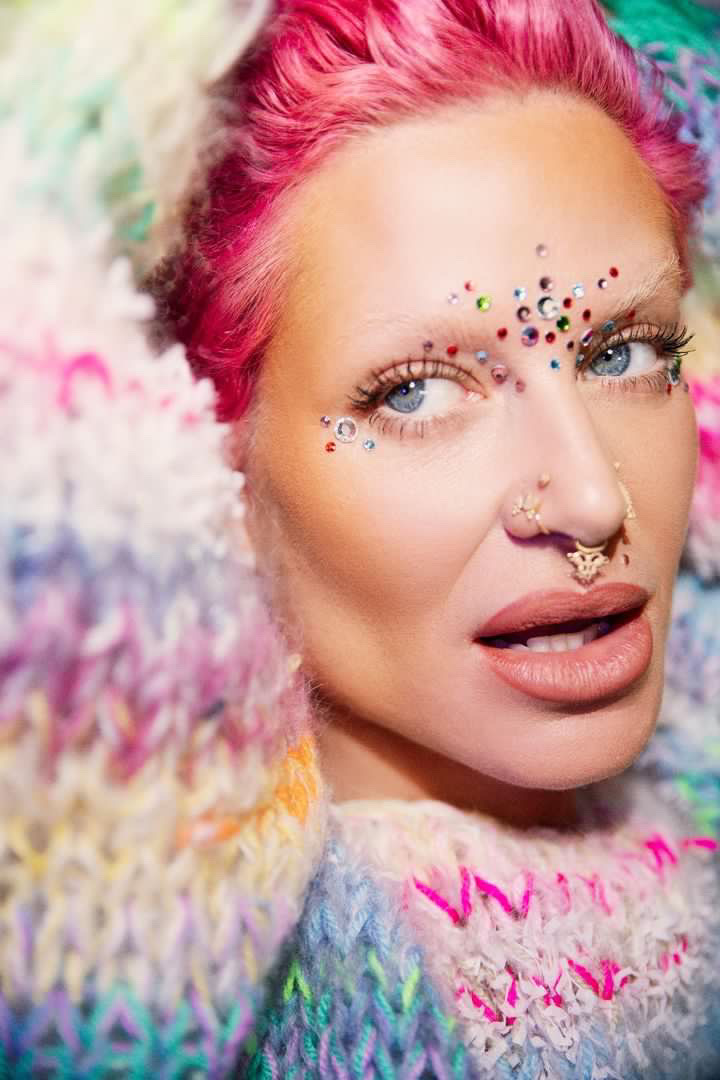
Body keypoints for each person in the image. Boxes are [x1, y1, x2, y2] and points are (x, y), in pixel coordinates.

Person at [0, 0, 719, 1077]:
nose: (588, 498)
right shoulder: (163, 986)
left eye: (626, 354)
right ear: (206, 463)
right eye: (417, 391)